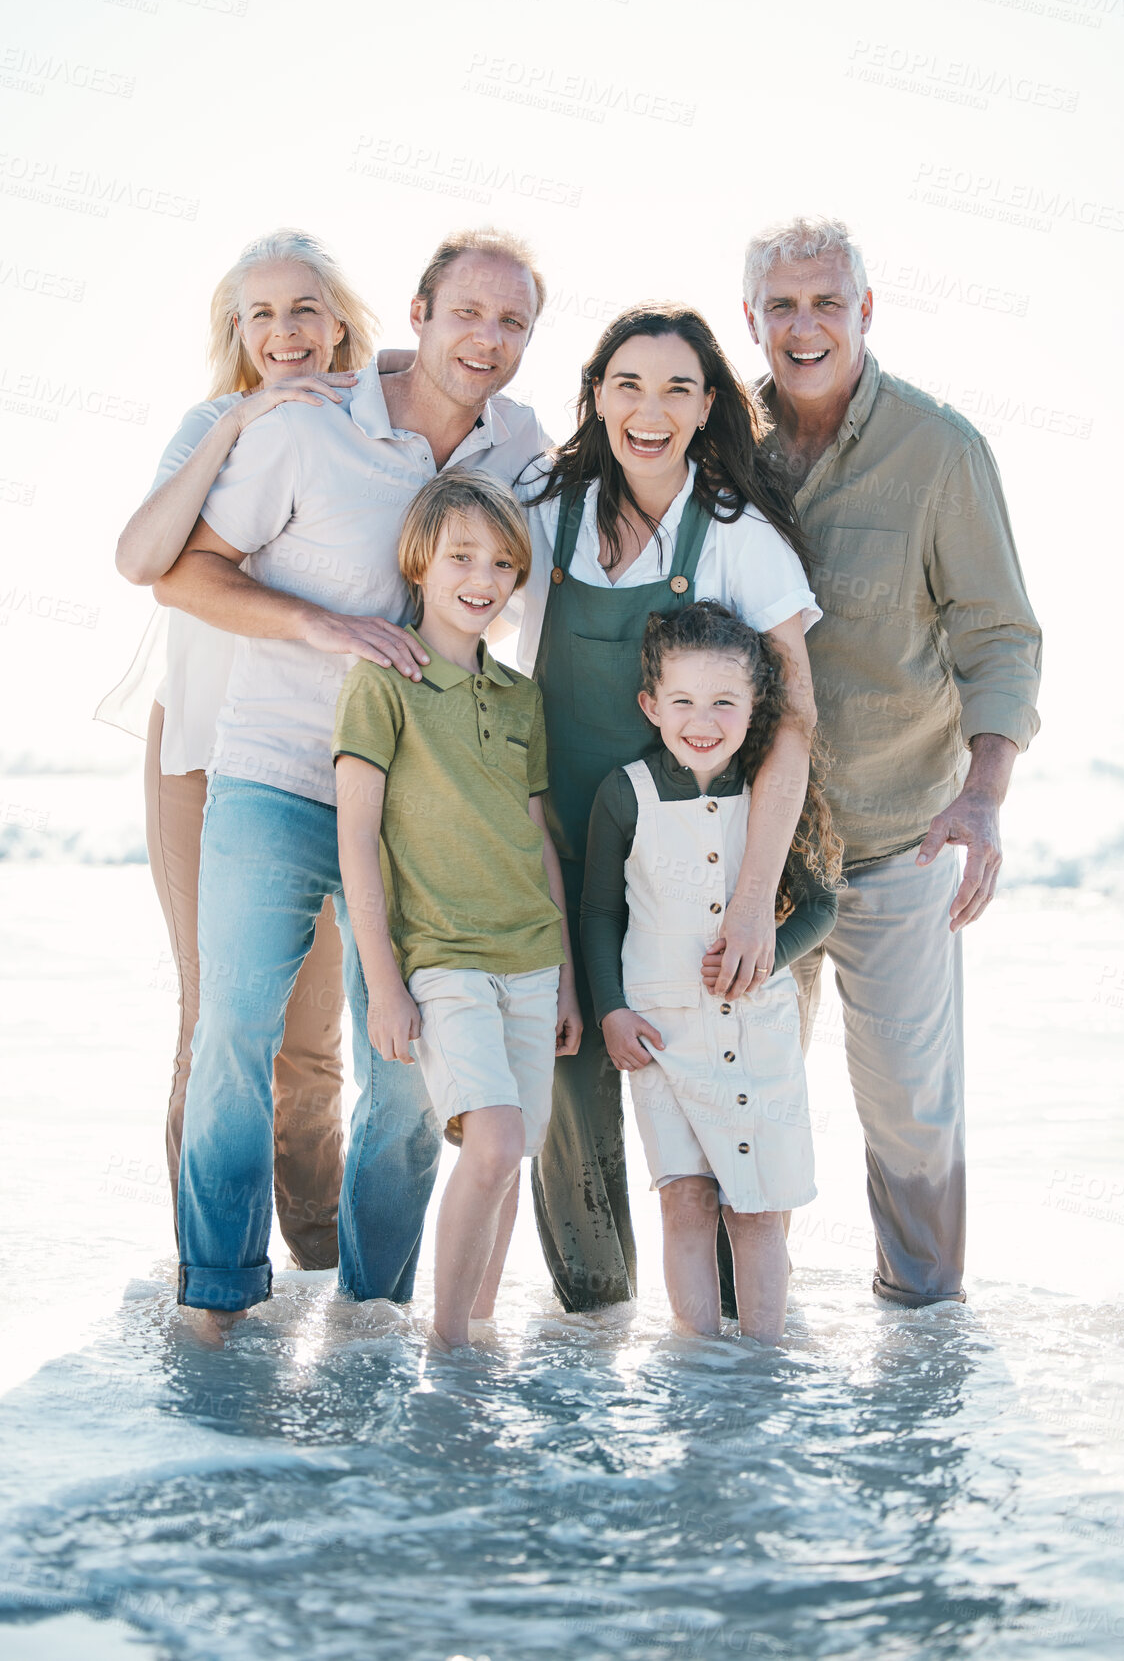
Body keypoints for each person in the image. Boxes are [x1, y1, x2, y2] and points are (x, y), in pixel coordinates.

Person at [151, 227, 552, 1339]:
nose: (488, 338)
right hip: (273, 767)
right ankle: (218, 1292)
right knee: (236, 1030)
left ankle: (375, 1306)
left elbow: (560, 577)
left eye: (513, 321)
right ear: (417, 311)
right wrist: (321, 624)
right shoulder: (307, 428)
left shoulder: (518, 446)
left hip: (416, 804)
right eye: (467, 312)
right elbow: (183, 570)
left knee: (410, 1063)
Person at [741, 215, 1042, 1306]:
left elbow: (1000, 635)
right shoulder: (717, 437)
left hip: (898, 834)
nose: (805, 325)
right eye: (784, 305)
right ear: (753, 319)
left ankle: (924, 1339)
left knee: (912, 1107)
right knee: (744, 1101)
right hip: (753, 849)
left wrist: (986, 794)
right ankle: (736, 1348)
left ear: (867, 311)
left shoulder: (941, 450)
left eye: (829, 302)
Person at [507, 303, 821, 1314]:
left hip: (701, 868)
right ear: (595, 394)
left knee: (711, 1139)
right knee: (573, 1088)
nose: (650, 407)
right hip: (562, 855)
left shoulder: (735, 534)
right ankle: (591, 1356)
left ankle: (724, 1361)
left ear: (708, 405)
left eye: (678, 386)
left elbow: (797, 720)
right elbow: (444, 571)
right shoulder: (542, 509)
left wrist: (753, 904)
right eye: (628, 383)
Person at [98, 229, 379, 1268]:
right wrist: (240, 419)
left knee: (314, 1033)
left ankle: (313, 1250)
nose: (283, 332)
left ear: (340, 316)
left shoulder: (372, 423)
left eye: (302, 308)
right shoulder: (212, 420)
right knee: (217, 1013)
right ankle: (209, 1265)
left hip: (319, 752)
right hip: (202, 753)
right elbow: (140, 555)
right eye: (257, 315)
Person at [333, 472, 581, 1347]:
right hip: (442, 955)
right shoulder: (383, 679)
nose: (483, 576)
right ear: (420, 562)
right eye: (462, 556)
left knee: (507, 1158)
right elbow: (357, 839)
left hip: (531, 958)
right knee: (493, 1140)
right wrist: (384, 982)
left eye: (502, 562)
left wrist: (567, 979)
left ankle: (477, 1330)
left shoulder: (520, 697)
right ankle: (445, 1344)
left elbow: (536, 835)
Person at [581, 602, 841, 1341]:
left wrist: (764, 958)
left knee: (757, 1206)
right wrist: (610, 1010)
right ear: (650, 705)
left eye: (724, 701)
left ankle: (763, 1363)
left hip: (757, 1033)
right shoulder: (621, 793)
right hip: (660, 1033)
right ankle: (698, 1362)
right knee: (684, 1200)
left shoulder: (772, 790)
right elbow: (599, 913)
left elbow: (821, 905)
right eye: (684, 700)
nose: (704, 718)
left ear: (754, 705)